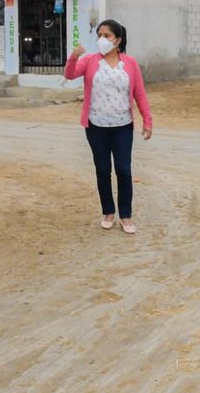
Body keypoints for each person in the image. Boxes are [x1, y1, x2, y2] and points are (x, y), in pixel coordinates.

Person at [64, 20, 152, 234]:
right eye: (99, 35)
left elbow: (139, 93)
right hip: (96, 126)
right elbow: (70, 74)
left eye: (106, 36)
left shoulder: (130, 63)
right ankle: (108, 212)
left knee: (123, 170)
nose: (101, 40)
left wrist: (147, 120)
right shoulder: (90, 61)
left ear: (118, 40)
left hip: (123, 126)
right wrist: (73, 56)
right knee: (103, 170)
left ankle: (126, 215)